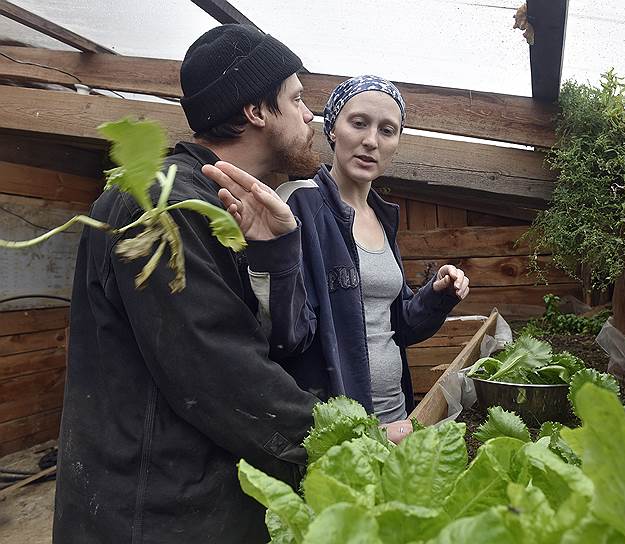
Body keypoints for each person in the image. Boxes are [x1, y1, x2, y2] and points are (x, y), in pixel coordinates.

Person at [54, 25, 322, 543]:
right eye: (296, 98)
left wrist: (278, 252)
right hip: (154, 510)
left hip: (203, 500)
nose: (310, 114)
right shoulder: (159, 200)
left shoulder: (232, 205)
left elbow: (279, 344)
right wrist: (342, 437)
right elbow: (218, 371)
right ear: (256, 111)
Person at [214, 75, 470, 435]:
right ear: (333, 128)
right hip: (336, 427)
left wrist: (437, 296)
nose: (370, 141)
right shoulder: (297, 203)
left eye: (387, 130)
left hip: (397, 414)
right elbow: (285, 336)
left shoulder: (382, 216)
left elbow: (399, 327)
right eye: (359, 123)